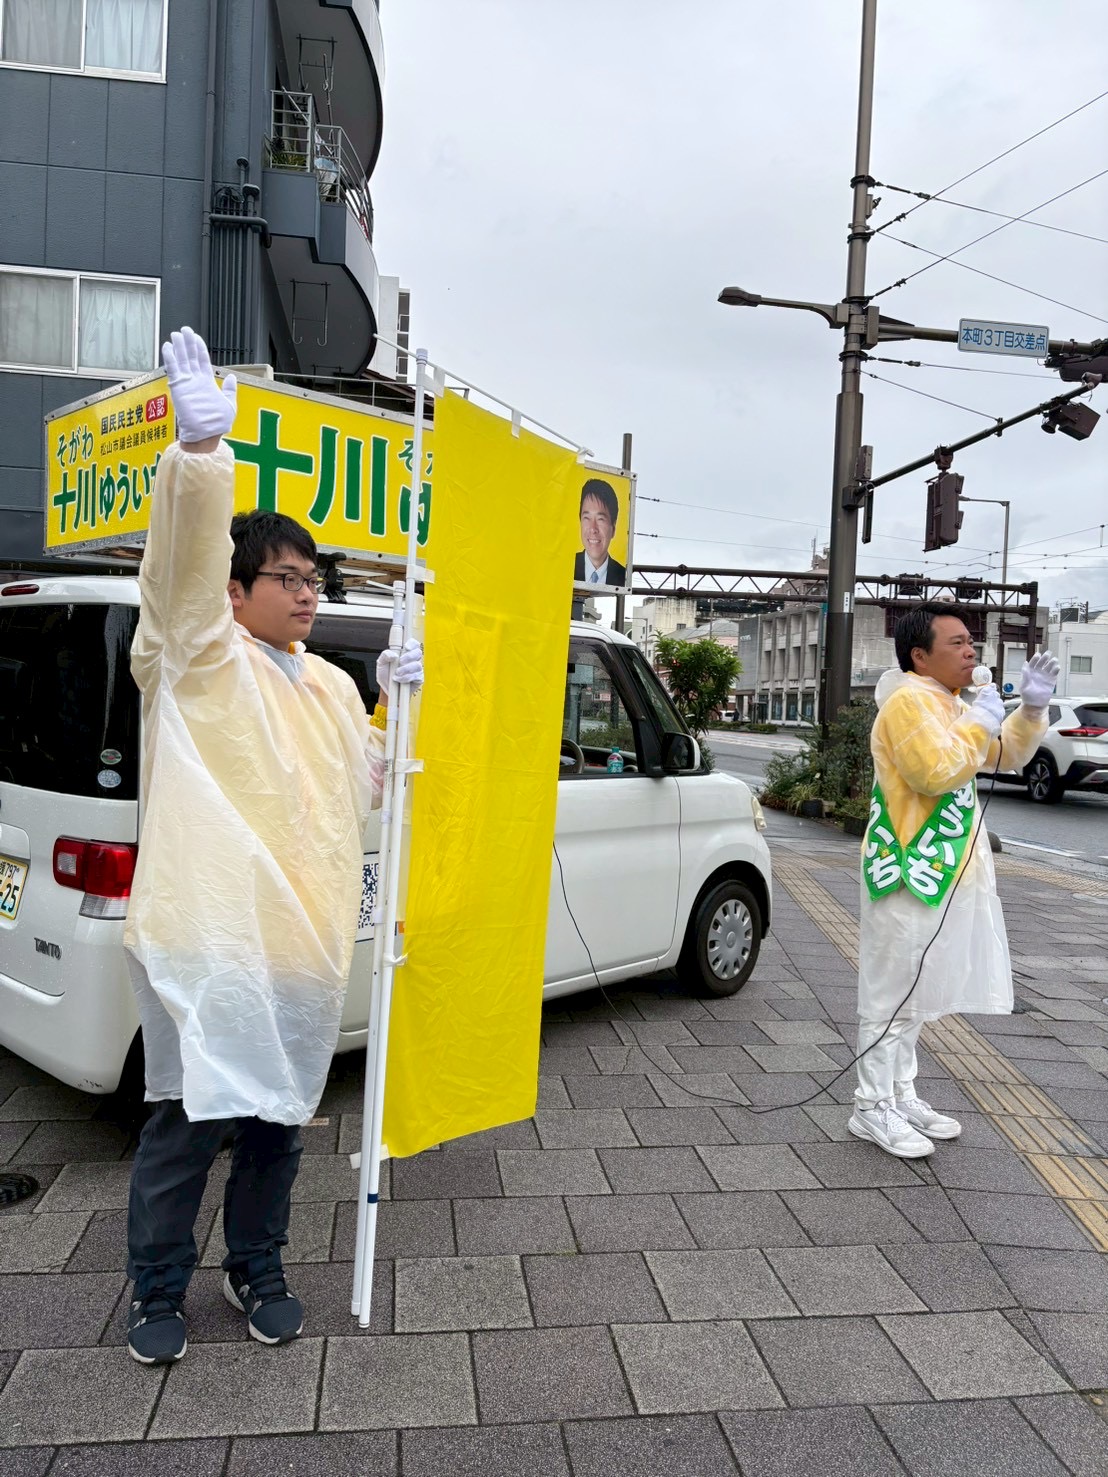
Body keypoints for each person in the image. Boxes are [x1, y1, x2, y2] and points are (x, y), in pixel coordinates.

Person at [123, 327, 424, 1365]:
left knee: (275, 1125)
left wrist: (396, 707)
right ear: (236, 588)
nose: (306, 592)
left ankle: (257, 1267)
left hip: (296, 944)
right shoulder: (194, 655)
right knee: (186, 1122)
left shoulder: (330, 684)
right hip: (209, 941)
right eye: (285, 576)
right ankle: (156, 1288)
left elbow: (366, 787)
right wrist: (200, 462)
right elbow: (175, 577)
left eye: (313, 578)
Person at [850, 604, 1059, 1159]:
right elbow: (935, 772)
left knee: (916, 991)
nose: (971, 652)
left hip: (941, 872)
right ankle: (870, 1105)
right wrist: (980, 719)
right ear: (920, 655)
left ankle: (900, 1092)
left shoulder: (950, 702)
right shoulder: (907, 702)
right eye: (958, 643)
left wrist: (1030, 710)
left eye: (972, 642)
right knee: (891, 992)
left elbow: (1003, 755)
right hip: (907, 868)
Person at [573, 478, 626, 587]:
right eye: (587, 518)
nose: (593, 529)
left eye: (600, 519)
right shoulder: (564, 566)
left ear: (613, 528)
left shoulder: (623, 576)